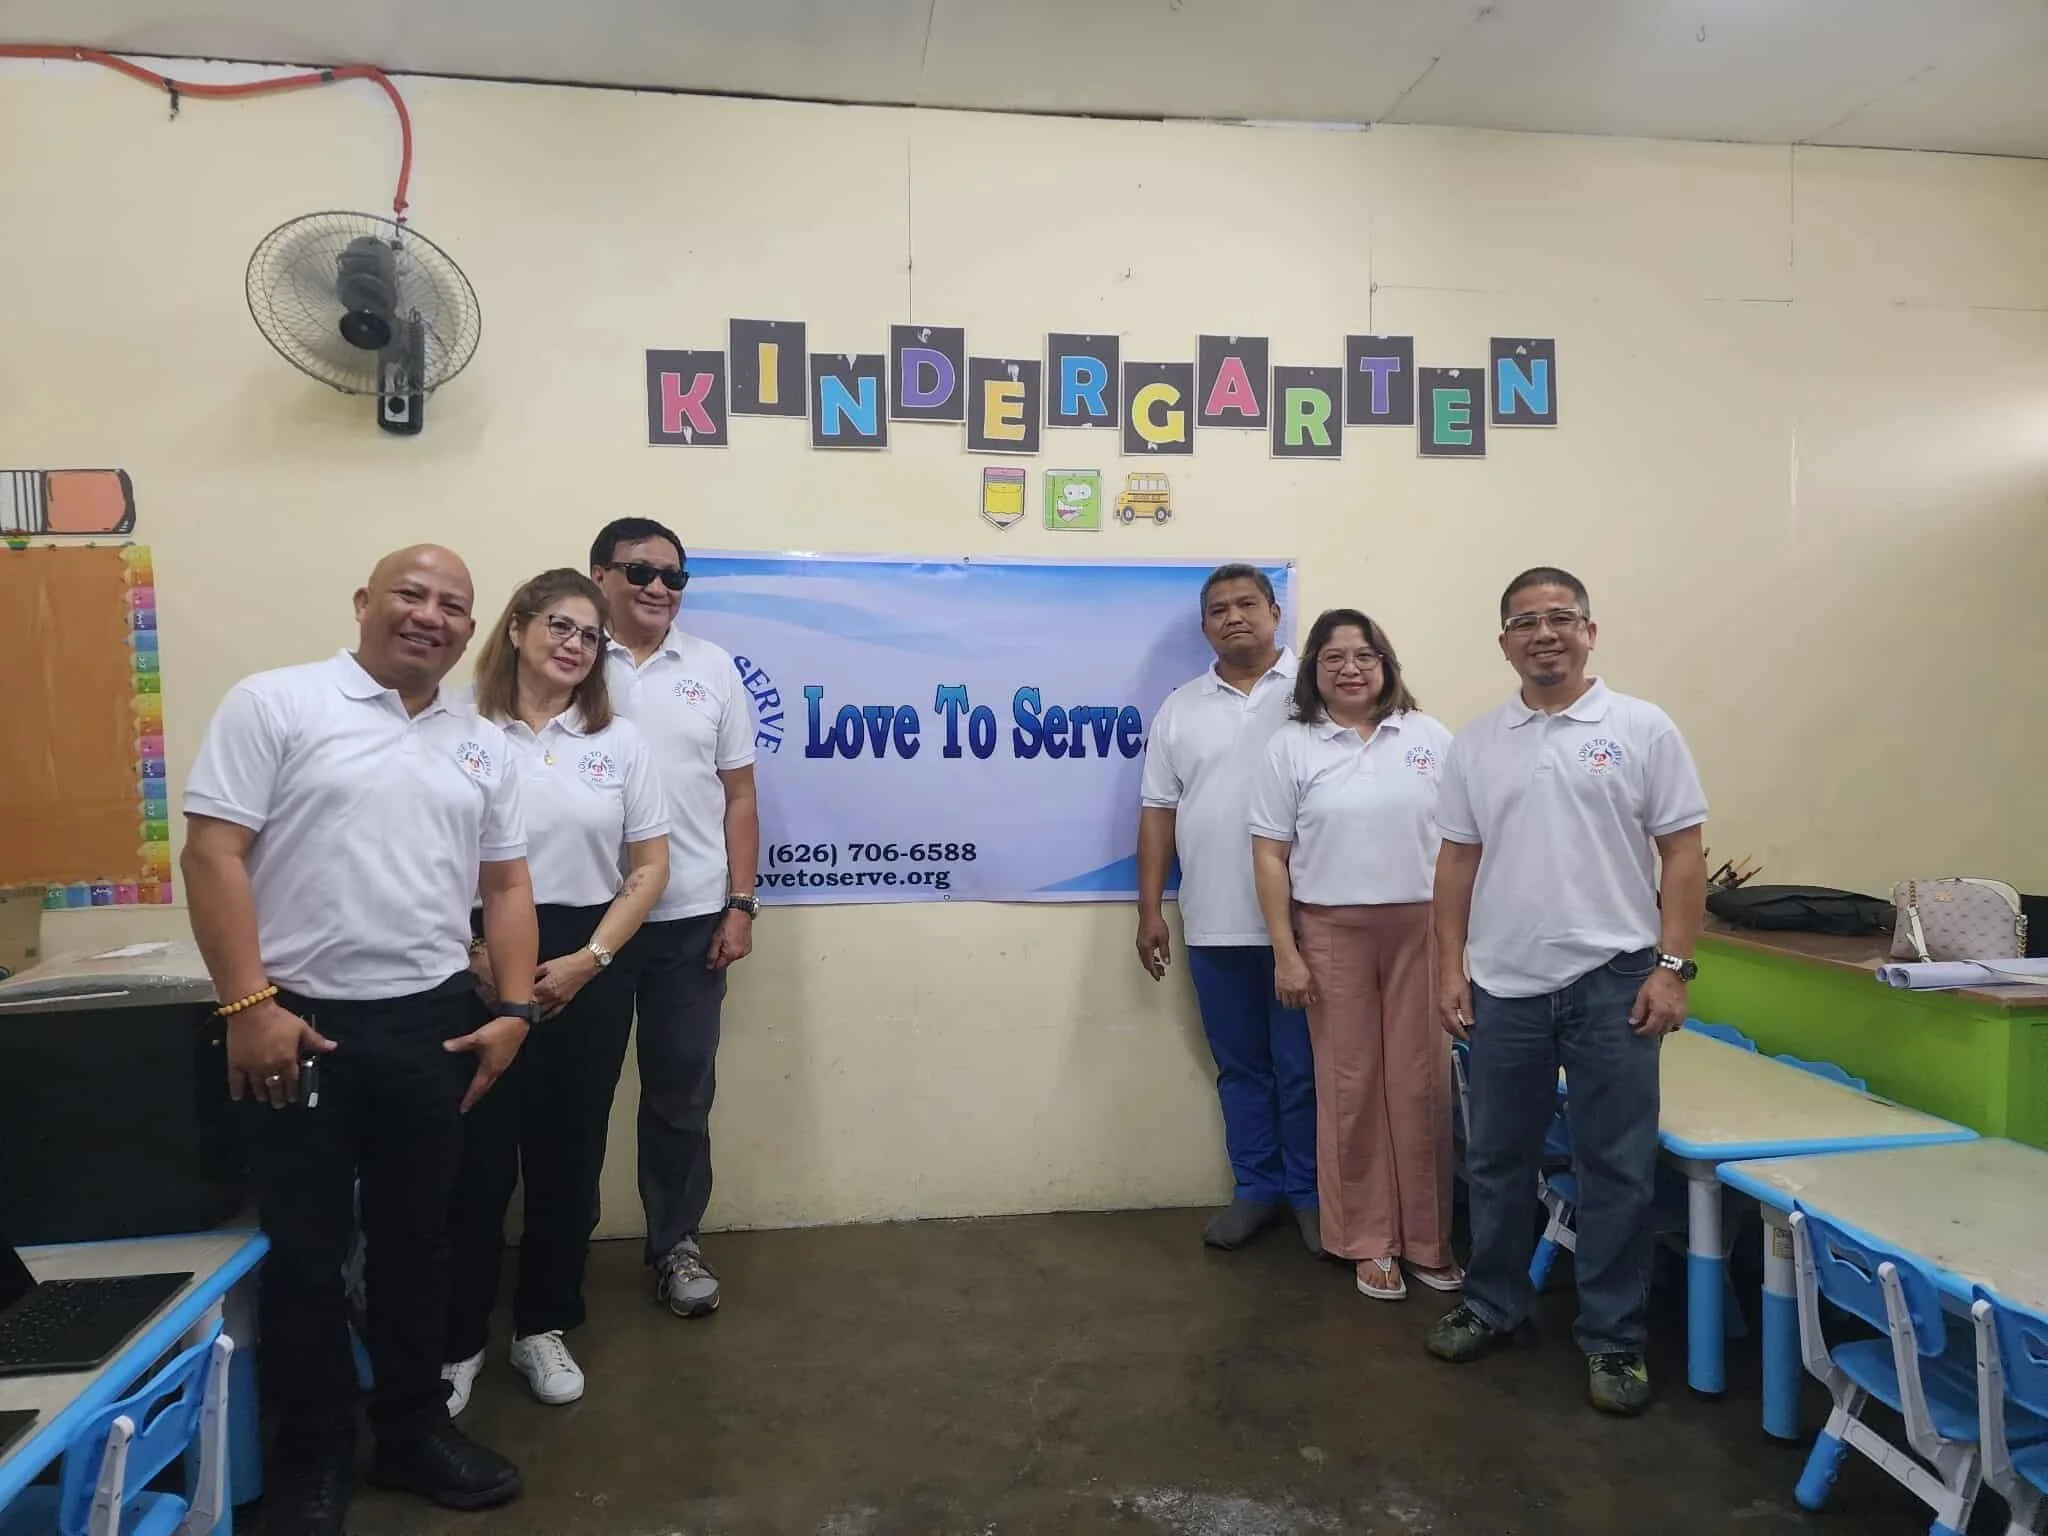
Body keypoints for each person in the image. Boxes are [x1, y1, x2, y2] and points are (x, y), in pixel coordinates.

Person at [180, 545, 538, 1536]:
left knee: (419, 1244)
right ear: (364, 603)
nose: (430, 615)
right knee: (305, 1253)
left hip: (432, 1025)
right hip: (296, 1026)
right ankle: (314, 1457)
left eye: (452, 605)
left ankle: (412, 1432)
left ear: (470, 631)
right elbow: (212, 853)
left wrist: (514, 1011)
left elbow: (507, 883)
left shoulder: (481, 744)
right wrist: (249, 1006)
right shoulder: (278, 703)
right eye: (410, 594)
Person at [1423, 566, 1708, 1417]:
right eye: (1525, 622)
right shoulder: (1477, 742)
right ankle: (1491, 1303)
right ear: (1504, 642)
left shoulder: (1641, 728)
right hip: (1504, 984)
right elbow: (1456, 863)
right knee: (1497, 1160)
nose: (1543, 633)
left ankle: (1614, 1339)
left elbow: (1683, 854)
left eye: (1559, 617)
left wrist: (1673, 966)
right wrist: (1448, 967)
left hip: (1615, 981)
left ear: (1589, 631)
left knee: (1615, 1166)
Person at [440, 570, 670, 1413]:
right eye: (560, 626)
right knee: (472, 1165)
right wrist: (472, 953)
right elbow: (423, 853)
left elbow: (650, 868)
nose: (575, 645)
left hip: (587, 963)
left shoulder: (621, 742)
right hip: (470, 960)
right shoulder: (456, 727)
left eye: (590, 636)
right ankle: (457, 1340)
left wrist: (590, 960)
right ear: (516, 628)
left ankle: (543, 1325)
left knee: (567, 1159)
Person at [1248, 609, 1459, 1301]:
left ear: (1386, 664)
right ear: (1313, 670)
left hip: (1421, 931)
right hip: (1331, 931)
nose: (1350, 668)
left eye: (1364, 655)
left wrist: (1461, 949)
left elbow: (1463, 848)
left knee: (1422, 1086)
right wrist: (1286, 952)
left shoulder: (1429, 737)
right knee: (1351, 1088)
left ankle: (1427, 1240)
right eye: (1333, 657)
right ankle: (1368, 1241)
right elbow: (1270, 856)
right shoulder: (1291, 746)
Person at [590, 518, 760, 1317]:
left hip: (690, 917)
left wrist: (741, 902)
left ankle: (676, 1244)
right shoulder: (567, 657)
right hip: (584, 921)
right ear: (600, 576)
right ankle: (554, 1256)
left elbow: (739, 796)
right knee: (571, 1096)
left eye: (673, 576)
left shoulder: (713, 668)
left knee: (681, 1091)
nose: (659, 587)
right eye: (640, 571)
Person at [1137, 563, 1319, 1253]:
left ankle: (1312, 1195)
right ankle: (1257, 1190)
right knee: (1241, 1068)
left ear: (1276, 612)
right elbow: (1158, 812)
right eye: (1218, 609)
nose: (1233, 617)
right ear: (1205, 626)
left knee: (1303, 1070)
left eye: (1247, 603)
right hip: (1212, 920)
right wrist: (1150, 910)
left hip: (1304, 928)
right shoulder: (1181, 707)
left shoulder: (1316, 693)